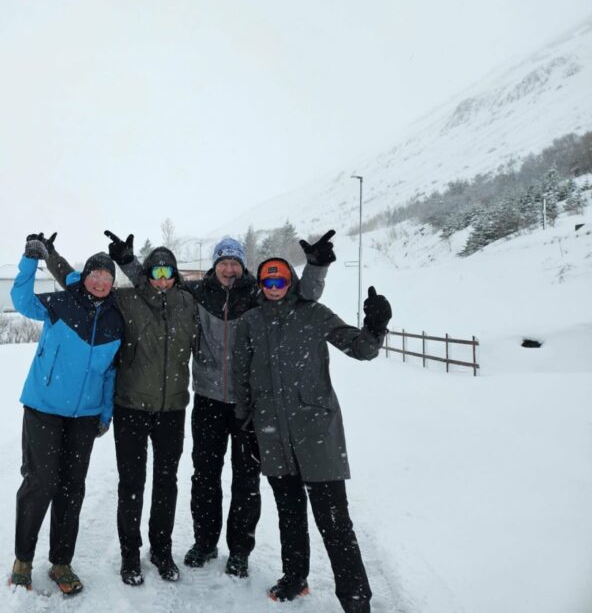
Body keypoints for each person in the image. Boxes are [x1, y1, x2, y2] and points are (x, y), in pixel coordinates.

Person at [118, 232, 336, 578]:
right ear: (215, 265)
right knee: (204, 476)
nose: (229, 269)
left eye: (235, 262)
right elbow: (157, 286)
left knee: (246, 480)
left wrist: (317, 265)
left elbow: (303, 295)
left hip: (249, 404)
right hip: (207, 400)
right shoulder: (196, 294)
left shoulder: (256, 294)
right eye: (224, 262)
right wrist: (129, 263)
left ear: (242, 266)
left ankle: (240, 551)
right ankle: (205, 543)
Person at [234, 258, 392, 613]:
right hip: (272, 434)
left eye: (280, 281)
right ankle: (295, 576)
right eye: (268, 283)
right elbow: (240, 376)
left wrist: (375, 326)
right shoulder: (250, 322)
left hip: (316, 431)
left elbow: (361, 349)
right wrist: (244, 425)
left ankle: (355, 597)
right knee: (289, 514)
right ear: (261, 285)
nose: (274, 288)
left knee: (334, 521)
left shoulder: (314, 314)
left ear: (291, 281)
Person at [44, 230, 199, 586]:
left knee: (166, 482)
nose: (162, 279)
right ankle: (131, 555)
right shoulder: (126, 299)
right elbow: (81, 282)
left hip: (172, 409)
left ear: (175, 276)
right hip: (131, 406)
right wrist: (51, 254)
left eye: (168, 272)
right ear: (147, 274)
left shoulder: (188, 305)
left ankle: (161, 550)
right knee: (132, 483)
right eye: (155, 272)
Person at [8, 233, 124, 596]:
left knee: (72, 489)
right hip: (44, 407)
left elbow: (110, 373)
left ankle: (61, 562)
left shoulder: (115, 322)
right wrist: (31, 259)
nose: (100, 282)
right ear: (85, 276)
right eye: (95, 275)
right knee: (40, 483)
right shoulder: (61, 303)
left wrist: (105, 413)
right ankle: (23, 560)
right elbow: (22, 300)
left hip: (85, 418)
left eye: (107, 277)